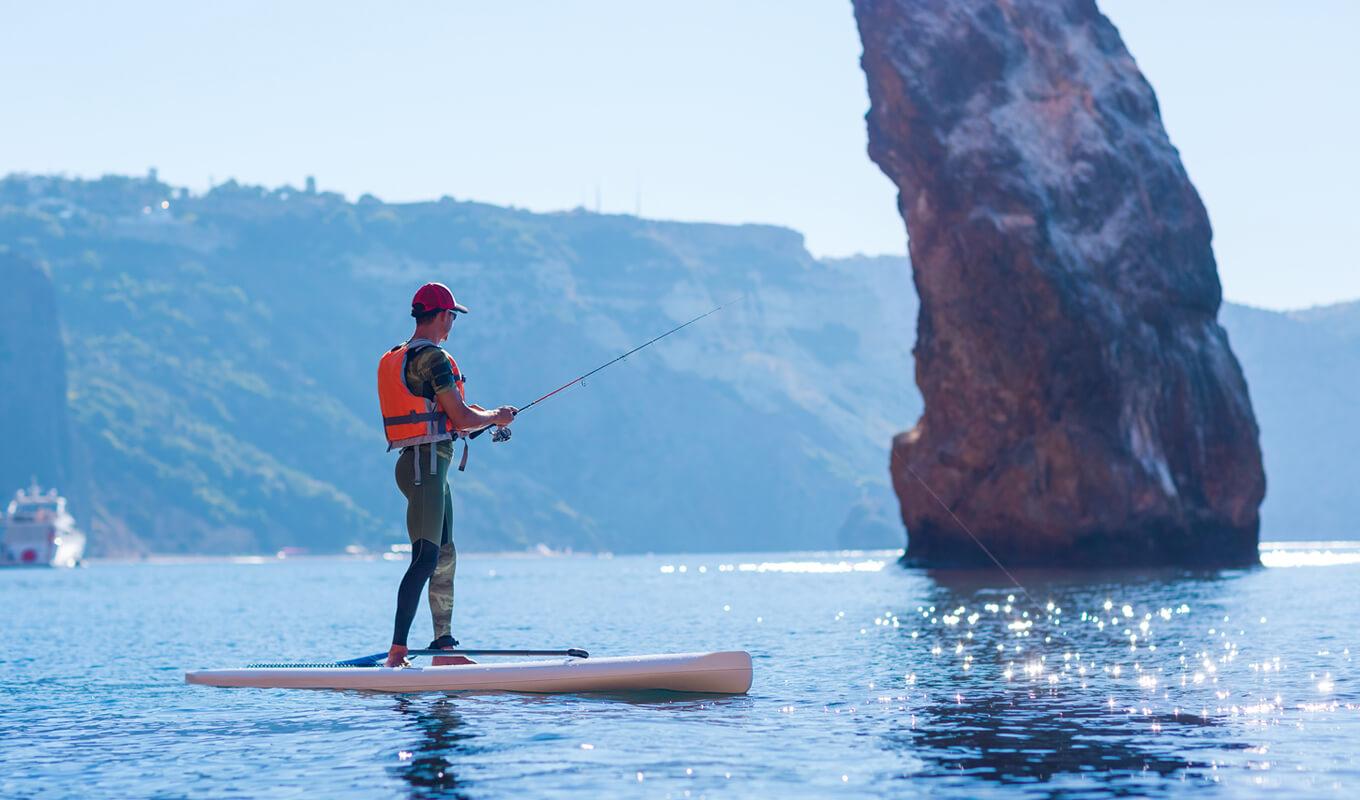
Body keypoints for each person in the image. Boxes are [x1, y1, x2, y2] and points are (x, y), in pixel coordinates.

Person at [377, 283, 516, 668]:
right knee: (425, 558)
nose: (453, 322)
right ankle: (397, 652)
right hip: (427, 465)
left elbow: (451, 419)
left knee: (443, 555)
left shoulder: (402, 356)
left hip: (424, 462)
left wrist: (480, 418)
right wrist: (495, 417)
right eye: (452, 315)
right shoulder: (434, 358)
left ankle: (443, 647)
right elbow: (461, 418)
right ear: (441, 316)